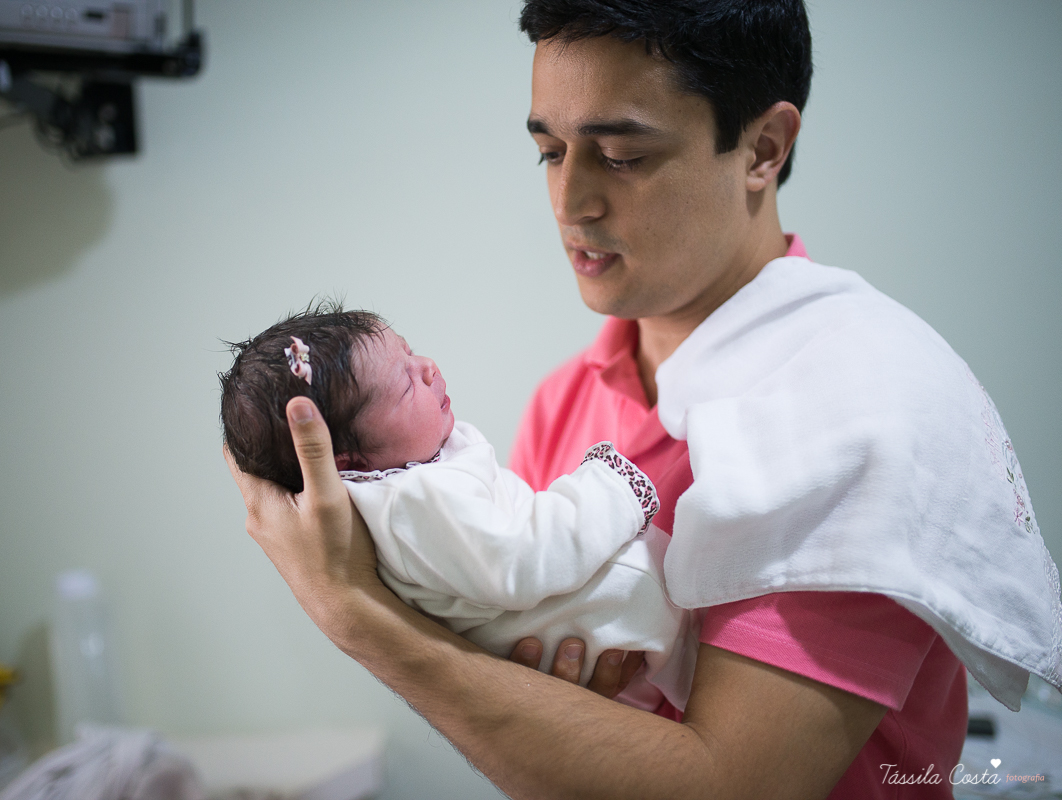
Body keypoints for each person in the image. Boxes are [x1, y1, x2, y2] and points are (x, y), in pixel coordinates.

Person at [224, 2, 1061, 797]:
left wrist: (357, 616)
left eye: (621, 155)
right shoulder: (566, 401)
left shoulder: (858, 406)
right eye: (550, 151)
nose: (569, 202)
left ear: (763, 147)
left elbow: (736, 787)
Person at [219, 304, 685, 690]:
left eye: (413, 354)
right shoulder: (409, 501)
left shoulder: (417, 472)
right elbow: (520, 558)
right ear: (348, 461)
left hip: (623, 634)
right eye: (405, 384)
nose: (428, 369)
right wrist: (608, 485)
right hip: (642, 618)